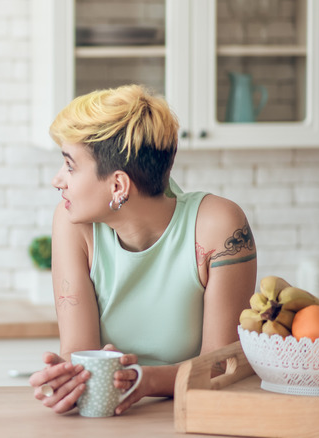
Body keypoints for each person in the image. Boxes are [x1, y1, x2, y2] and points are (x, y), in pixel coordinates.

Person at [29, 85, 256, 416]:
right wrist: (68, 377)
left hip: (195, 415)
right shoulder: (72, 224)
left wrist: (145, 381)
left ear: (118, 185)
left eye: (70, 165)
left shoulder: (218, 226)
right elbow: (79, 350)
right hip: (109, 416)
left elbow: (221, 365)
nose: (57, 180)